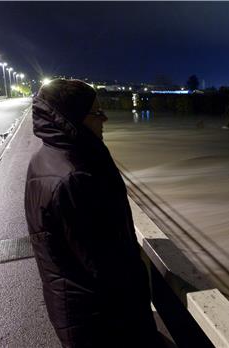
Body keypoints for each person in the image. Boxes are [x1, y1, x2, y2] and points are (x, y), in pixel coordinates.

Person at [24, 79, 160, 347]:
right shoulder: (75, 177)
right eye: (97, 112)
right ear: (73, 117)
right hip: (102, 322)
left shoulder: (46, 157)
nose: (105, 118)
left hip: (74, 307)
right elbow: (106, 264)